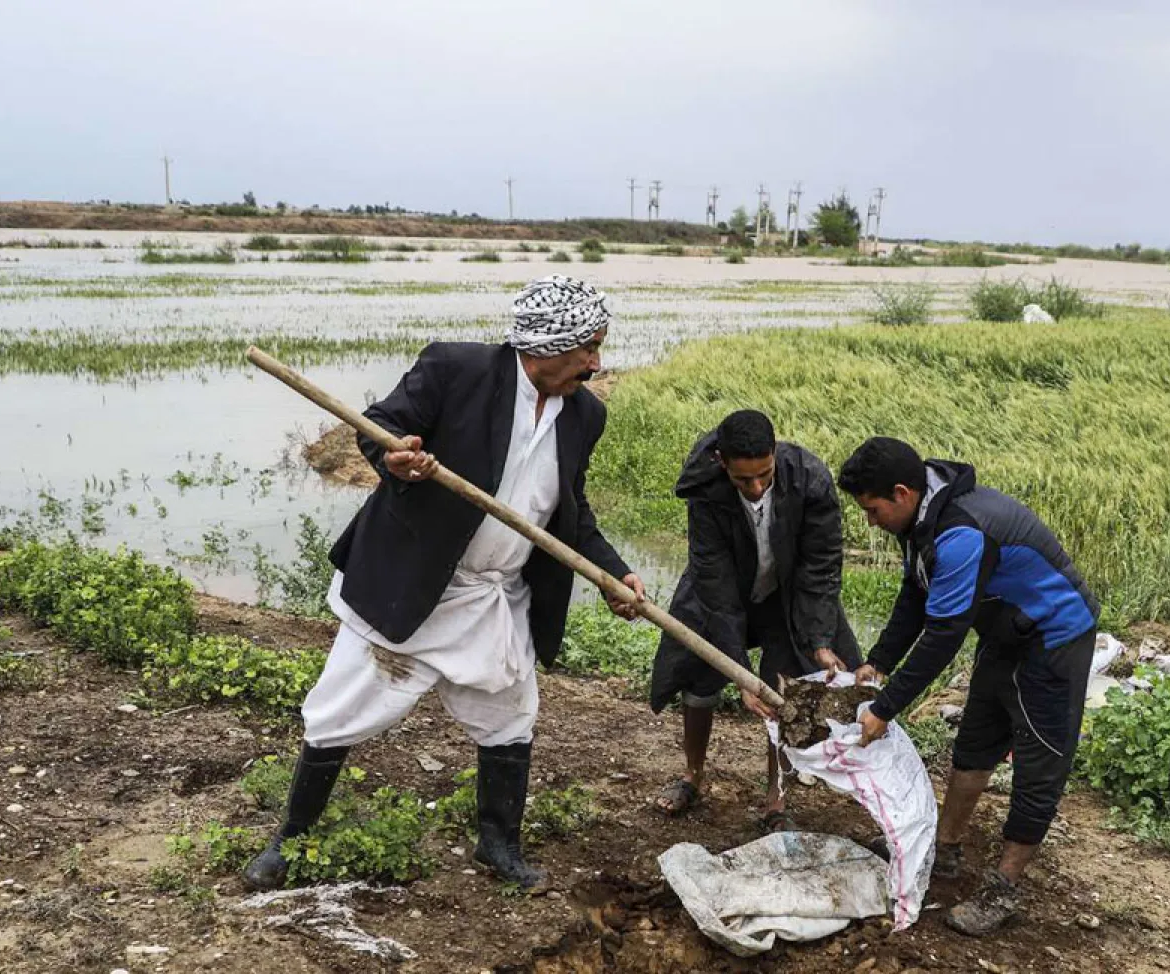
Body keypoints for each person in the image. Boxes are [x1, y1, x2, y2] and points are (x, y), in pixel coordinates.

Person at [243, 276, 646, 892]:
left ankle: (497, 845)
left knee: (511, 715)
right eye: (587, 348)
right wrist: (395, 459)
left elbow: (571, 512)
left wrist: (614, 573)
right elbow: (379, 427)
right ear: (545, 345)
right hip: (417, 581)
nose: (596, 362)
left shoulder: (584, 414)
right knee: (340, 708)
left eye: (599, 347)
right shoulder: (455, 369)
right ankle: (289, 840)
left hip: (494, 596)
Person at [837, 437, 1098, 937]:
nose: (870, 521)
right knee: (975, 744)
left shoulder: (961, 533)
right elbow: (916, 595)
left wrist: (885, 708)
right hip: (1006, 630)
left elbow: (942, 638)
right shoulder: (920, 518)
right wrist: (878, 662)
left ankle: (1005, 886)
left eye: (872, 511)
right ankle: (944, 849)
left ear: (901, 492)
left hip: (1054, 638)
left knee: (1040, 762)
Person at [649, 409, 862, 831]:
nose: (757, 487)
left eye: (765, 475)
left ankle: (775, 799)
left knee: (783, 683)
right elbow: (716, 588)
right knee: (700, 670)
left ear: (775, 454)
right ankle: (692, 775)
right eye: (744, 480)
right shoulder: (705, 489)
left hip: (786, 594)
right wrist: (739, 674)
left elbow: (821, 568)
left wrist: (819, 638)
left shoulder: (810, 480)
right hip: (720, 590)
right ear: (722, 463)